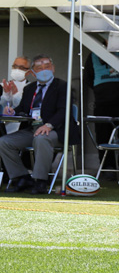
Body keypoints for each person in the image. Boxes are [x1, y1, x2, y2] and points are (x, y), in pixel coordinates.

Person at [0, 55, 76, 194]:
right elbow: (23, 108)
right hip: (32, 129)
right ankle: (21, 178)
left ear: (53, 68)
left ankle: (40, 181)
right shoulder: (30, 88)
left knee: (41, 138)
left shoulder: (62, 86)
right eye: (39, 68)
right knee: (4, 142)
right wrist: (12, 111)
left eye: (47, 66)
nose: (44, 70)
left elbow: (64, 111)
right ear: (33, 72)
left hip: (56, 130)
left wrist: (49, 125)